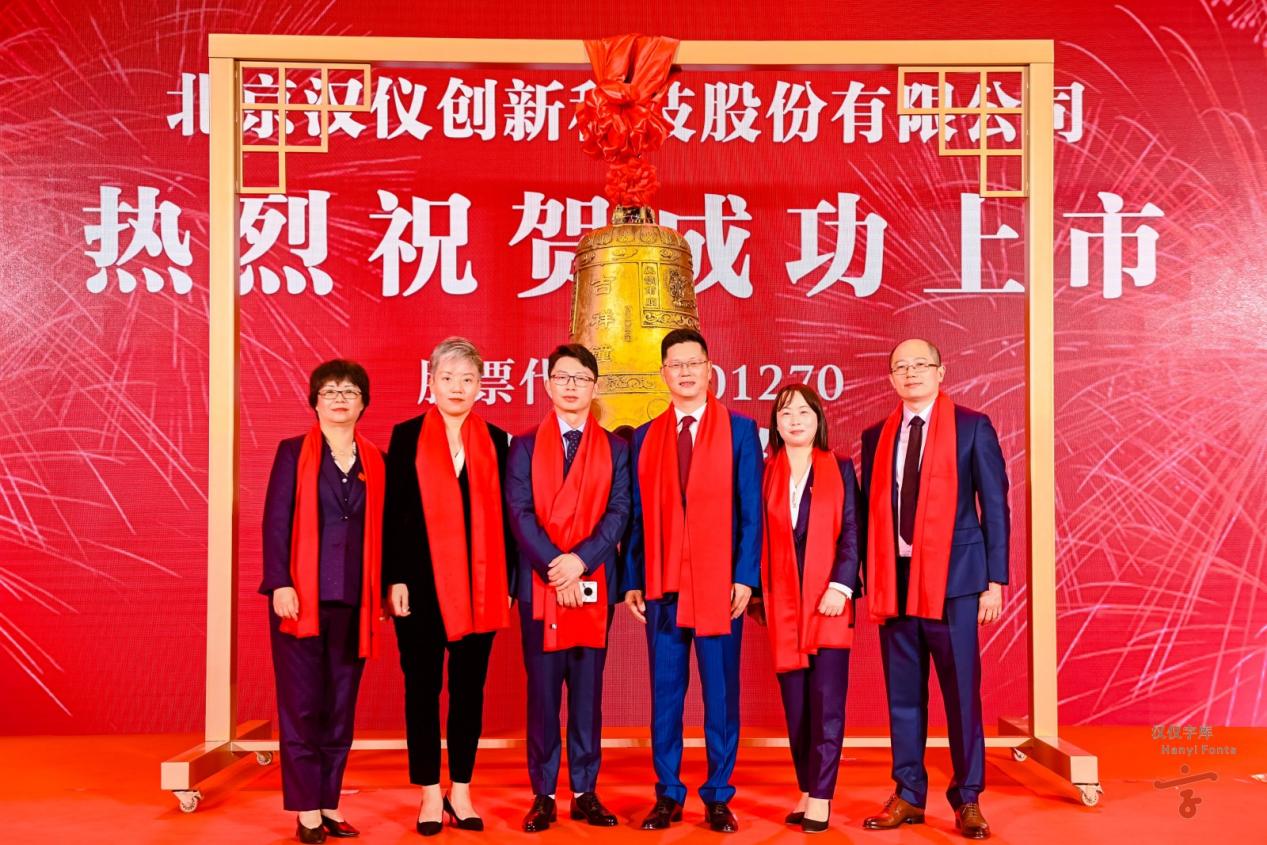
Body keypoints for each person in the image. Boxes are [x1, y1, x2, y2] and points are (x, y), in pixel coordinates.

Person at [858, 339, 1009, 841]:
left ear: (941, 371)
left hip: (957, 582)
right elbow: (869, 511)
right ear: (891, 379)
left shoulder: (972, 426)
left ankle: (968, 797)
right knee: (903, 696)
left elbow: (995, 507)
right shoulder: (877, 436)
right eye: (900, 367)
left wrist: (995, 581)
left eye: (920, 364)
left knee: (961, 694)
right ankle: (908, 793)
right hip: (895, 581)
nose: (911, 373)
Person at [623, 328, 763, 833]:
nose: (685, 372)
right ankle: (668, 793)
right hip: (663, 585)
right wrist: (633, 578)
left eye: (693, 363)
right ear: (663, 373)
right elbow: (637, 517)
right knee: (665, 695)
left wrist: (745, 577)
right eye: (675, 364)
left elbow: (752, 511)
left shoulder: (740, 431)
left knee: (720, 696)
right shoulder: (645, 437)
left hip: (719, 586)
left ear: (709, 369)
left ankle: (719, 795)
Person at [382, 337, 517, 836]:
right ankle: (427, 792)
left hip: (482, 587)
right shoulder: (406, 436)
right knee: (421, 689)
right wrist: (394, 577)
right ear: (431, 382)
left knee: (468, 691)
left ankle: (460, 789)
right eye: (447, 378)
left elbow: (508, 520)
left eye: (467, 379)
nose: (457, 388)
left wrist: (507, 581)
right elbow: (393, 513)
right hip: (419, 588)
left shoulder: (498, 441)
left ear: (481, 386)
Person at [504, 343, 631, 832]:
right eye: (562, 377)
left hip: (592, 583)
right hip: (541, 586)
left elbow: (619, 512)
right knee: (541, 695)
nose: (572, 385)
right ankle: (543, 793)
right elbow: (519, 514)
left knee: (586, 694)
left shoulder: (616, 449)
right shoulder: (524, 446)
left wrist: (580, 561)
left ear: (594, 386)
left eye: (581, 378)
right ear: (548, 385)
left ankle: (584, 790)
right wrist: (556, 566)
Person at [260, 359, 386, 843]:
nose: (339, 398)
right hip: (301, 599)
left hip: (354, 602)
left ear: (363, 403)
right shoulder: (293, 452)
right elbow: (276, 522)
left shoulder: (377, 460)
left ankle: (330, 802)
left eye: (350, 391)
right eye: (329, 390)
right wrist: (280, 583)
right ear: (314, 401)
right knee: (302, 708)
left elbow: (385, 531)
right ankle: (307, 810)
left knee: (340, 708)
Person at [751, 384, 859, 834]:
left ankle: (822, 796)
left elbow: (852, 533)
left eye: (803, 412)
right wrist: (757, 594)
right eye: (785, 413)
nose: (794, 420)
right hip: (783, 605)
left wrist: (840, 586)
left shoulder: (841, 467)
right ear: (775, 424)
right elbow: (754, 534)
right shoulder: (764, 473)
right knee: (796, 707)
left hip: (828, 603)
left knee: (827, 704)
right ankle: (807, 786)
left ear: (818, 419)